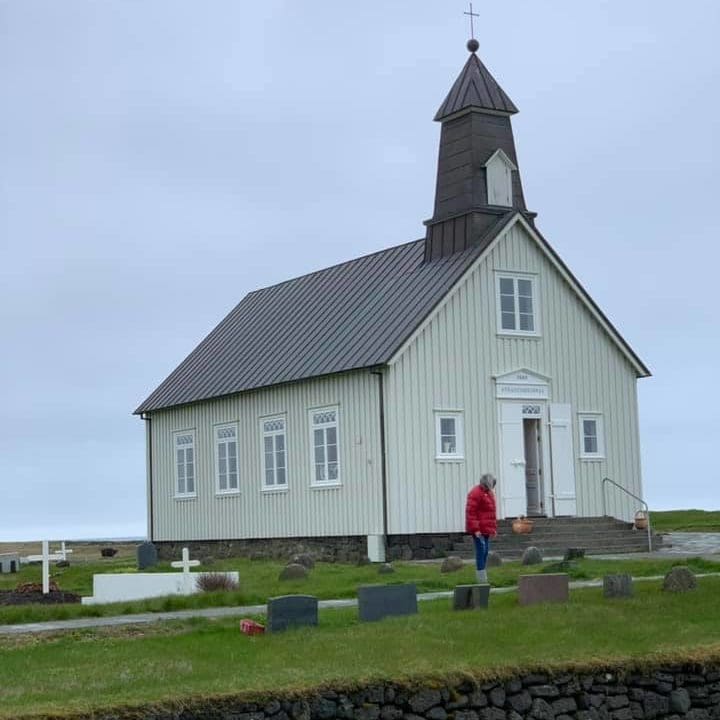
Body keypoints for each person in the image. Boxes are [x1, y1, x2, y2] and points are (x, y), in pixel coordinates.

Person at [465, 473, 497, 583]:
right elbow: (471, 512)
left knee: (485, 551)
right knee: (481, 551)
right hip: (478, 529)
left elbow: (491, 513)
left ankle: (483, 575)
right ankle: (481, 578)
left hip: (486, 529)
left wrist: (493, 529)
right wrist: (475, 529)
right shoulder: (475, 493)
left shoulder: (488, 493)